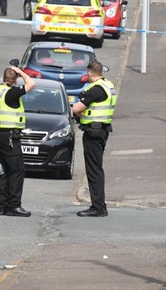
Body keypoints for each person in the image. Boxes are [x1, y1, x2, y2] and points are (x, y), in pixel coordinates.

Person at [72, 60, 117, 217]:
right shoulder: (108, 85)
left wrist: (78, 112)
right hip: (102, 130)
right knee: (96, 168)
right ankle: (98, 205)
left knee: (94, 170)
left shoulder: (96, 89)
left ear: (89, 73)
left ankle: (98, 207)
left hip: (94, 132)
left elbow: (76, 108)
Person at [0, 66, 35, 217]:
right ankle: (14, 206)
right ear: (15, 80)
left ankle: (3, 206)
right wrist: (21, 72)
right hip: (9, 137)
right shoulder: (11, 92)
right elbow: (31, 84)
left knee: (3, 171)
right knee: (17, 170)